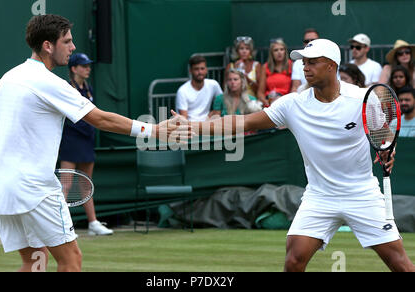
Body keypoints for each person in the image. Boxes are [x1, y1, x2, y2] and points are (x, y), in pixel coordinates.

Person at [174, 39, 415, 272]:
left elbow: (383, 135)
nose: (304, 67)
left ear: (331, 66)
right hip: (320, 196)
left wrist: (387, 150)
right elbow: (244, 121)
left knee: (399, 263)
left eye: (312, 62)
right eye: (303, 62)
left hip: (362, 194)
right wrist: (193, 126)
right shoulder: (292, 105)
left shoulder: (363, 99)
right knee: (294, 260)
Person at [0, 14, 190, 272]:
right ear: (48, 45)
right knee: (71, 260)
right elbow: (101, 119)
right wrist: (154, 130)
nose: (73, 47)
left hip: (7, 188)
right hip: (37, 190)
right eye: (67, 41)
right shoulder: (50, 83)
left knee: (35, 262)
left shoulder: (8, 78)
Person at [59, 53, 113, 236]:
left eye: (89, 65)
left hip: (87, 141)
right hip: (71, 140)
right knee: (65, 184)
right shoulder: (67, 88)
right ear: (74, 69)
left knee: (86, 184)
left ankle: (93, 223)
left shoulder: (88, 88)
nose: (88, 68)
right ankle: (60, 224)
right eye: (84, 66)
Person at [176, 55, 223, 121]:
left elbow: (223, 102)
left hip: (208, 124)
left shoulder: (213, 84)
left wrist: (213, 113)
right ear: (190, 71)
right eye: (196, 69)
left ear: (206, 70)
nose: (200, 72)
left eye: (202, 68)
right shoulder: (182, 91)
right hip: (190, 127)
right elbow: (184, 119)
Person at [257, 38, 292, 106]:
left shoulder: (291, 65)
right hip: (270, 102)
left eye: (282, 49)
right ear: (271, 53)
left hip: (286, 102)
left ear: (285, 51)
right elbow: (260, 93)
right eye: (276, 50)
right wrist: (265, 102)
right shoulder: (265, 67)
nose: (279, 52)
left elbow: (294, 88)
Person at [291, 28, 319, 93]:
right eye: (306, 41)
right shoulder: (297, 63)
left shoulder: (328, 60)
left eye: (313, 41)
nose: (309, 43)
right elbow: (295, 88)